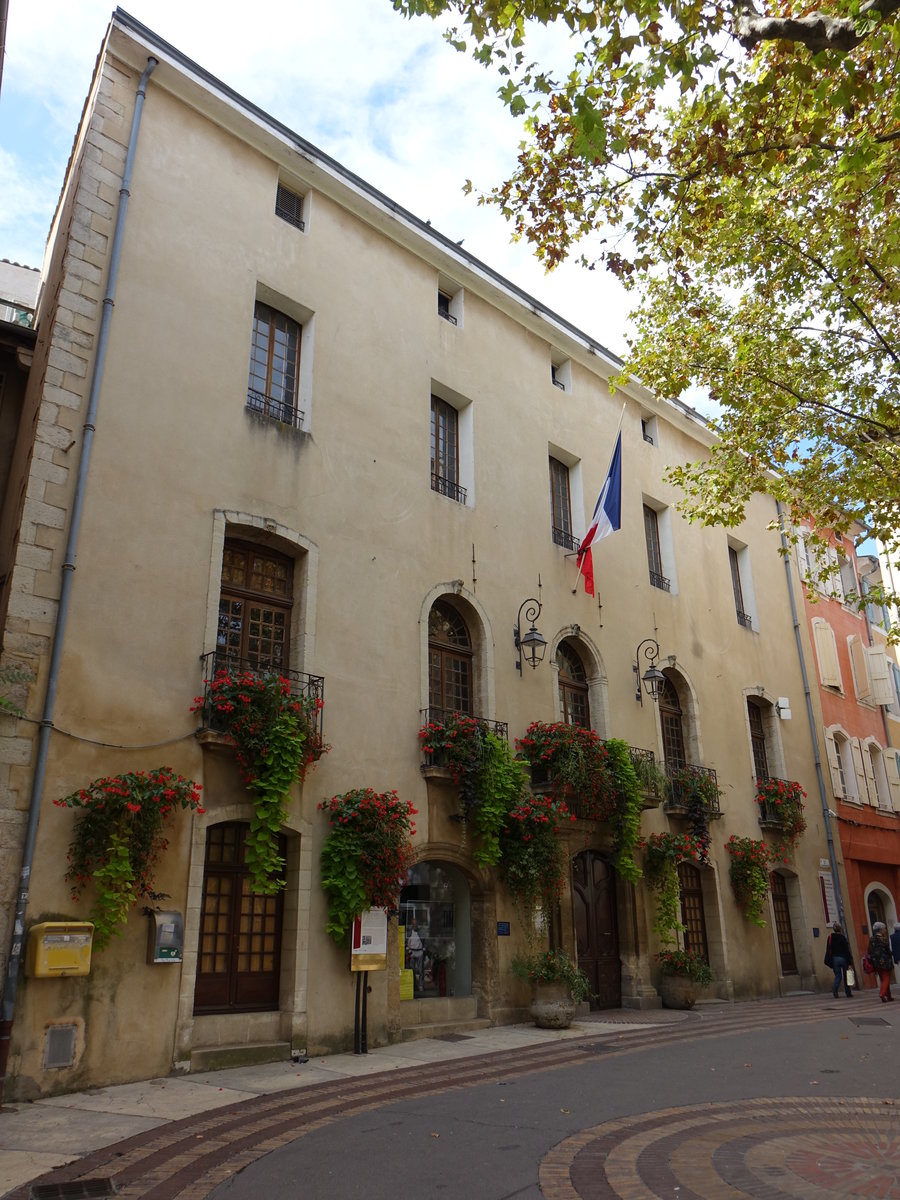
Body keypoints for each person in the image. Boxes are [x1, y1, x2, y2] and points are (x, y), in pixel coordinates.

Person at [866, 921, 894, 1002]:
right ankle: (882, 993)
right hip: (885, 961)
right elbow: (888, 950)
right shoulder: (883, 939)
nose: (885, 930)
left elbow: (869, 950)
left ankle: (888, 996)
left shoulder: (871, 939)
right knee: (886, 978)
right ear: (880, 929)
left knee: (883, 979)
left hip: (876, 962)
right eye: (884, 928)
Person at [825, 922, 854, 998]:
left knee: (838, 976)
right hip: (843, 958)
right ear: (840, 929)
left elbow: (828, 949)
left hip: (835, 959)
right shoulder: (842, 938)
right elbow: (846, 950)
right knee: (846, 976)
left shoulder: (830, 937)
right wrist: (849, 961)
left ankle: (835, 988)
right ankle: (848, 993)